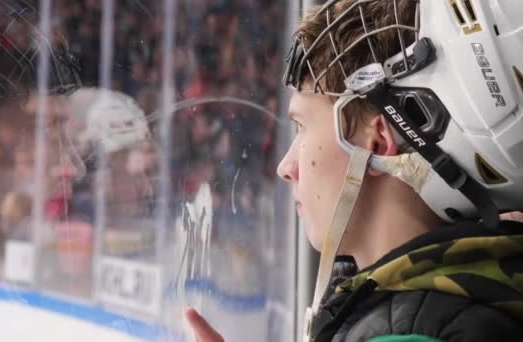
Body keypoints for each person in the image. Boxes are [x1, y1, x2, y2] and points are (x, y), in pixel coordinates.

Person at [187, 0, 523, 341]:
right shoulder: (466, 295)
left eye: (302, 126)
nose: (286, 167)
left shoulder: (412, 332)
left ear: (375, 142)